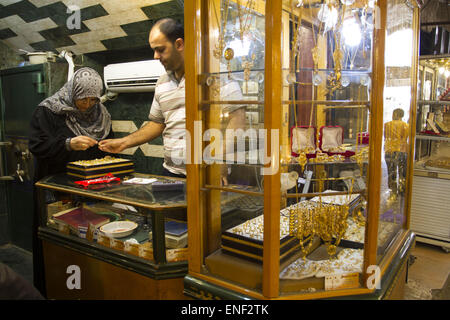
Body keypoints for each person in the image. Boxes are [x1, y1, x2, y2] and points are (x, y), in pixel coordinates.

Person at [99, 18, 245, 181]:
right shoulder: (162, 82)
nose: (155, 56)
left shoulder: (216, 74)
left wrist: (220, 160)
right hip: (171, 173)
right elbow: (157, 123)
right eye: (153, 50)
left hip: (207, 176)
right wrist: (123, 143)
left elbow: (237, 119)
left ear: (179, 44)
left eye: (160, 49)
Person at [28, 67, 114, 296]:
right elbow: (37, 146)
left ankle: (91, 287)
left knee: (89, 237)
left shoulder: (101, 113)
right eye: (82, 98)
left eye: (93, 99)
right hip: (56, 189)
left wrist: (107, 149)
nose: (87, 104)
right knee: (58, 238)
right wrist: (68, 143)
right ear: (72, 92)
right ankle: (54, 288)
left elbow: (108, 144)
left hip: (90, 188)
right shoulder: (48, 111)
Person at [384, 108, 409, 197]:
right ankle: (402, 190)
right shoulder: (406, 125)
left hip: (389, 150)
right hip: (402, 150)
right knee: (402, 171)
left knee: (391, 172)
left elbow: (386, 137)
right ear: (402, 115)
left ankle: (393, 192)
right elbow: (405, 138)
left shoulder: (386, 125)